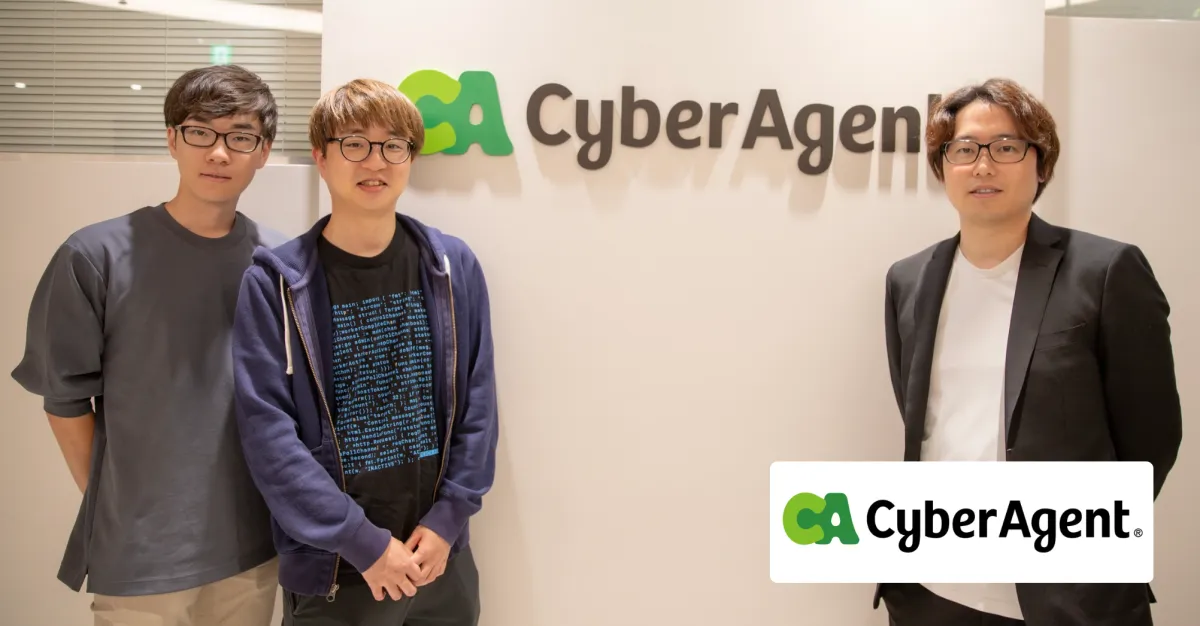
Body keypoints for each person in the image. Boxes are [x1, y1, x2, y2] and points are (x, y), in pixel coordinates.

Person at [876, 77, 1182, 626]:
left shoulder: (1105, 271)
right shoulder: (909, 279)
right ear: (943, 166)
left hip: (1069, 598)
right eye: (964, 149)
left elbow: (1151, 436)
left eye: (1006, 147)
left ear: (1041, 163)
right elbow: (921, 421)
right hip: (931, 591)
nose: (983, 165)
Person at [11, 64, 286, 625]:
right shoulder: (95, 256)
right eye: (200, 132)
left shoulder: (278, 264)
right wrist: (125, 506)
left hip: (252, 548)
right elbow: (64, 402)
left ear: (262, 152)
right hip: (141, 556)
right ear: (172, 139)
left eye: (240, 137)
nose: (218, 152)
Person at [230, 77, 498, 626]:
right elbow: (268, 437)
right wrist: (364, 544)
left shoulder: (452, 267)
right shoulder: (275, 284)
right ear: (321, 157)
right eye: (354, 143)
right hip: (338, 569)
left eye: (393, 145)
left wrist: (449, 519)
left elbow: (479, 404)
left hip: (439, 561)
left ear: (410, 158)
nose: (375, 161)